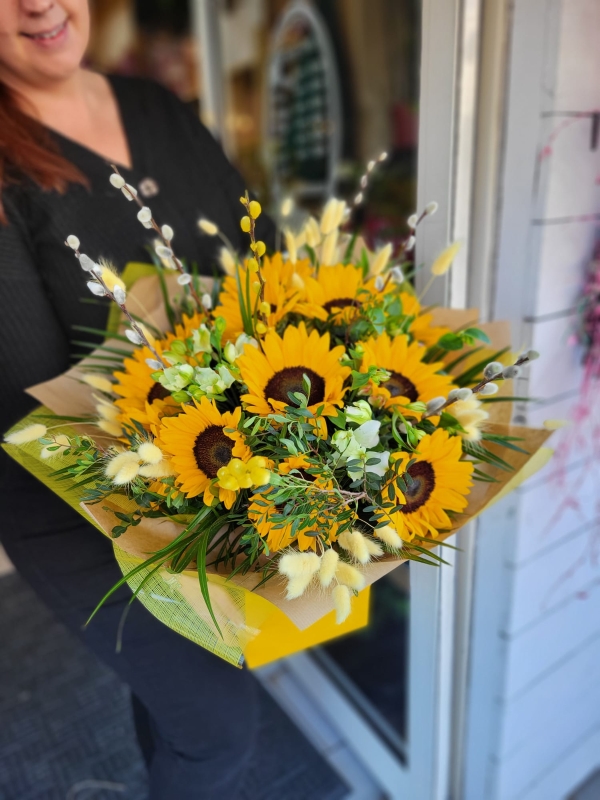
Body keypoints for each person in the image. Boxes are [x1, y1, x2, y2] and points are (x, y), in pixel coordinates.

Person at [0, 2, 275, 798]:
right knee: (220, 729)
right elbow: (36, 407)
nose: (40, 4)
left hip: (212, 471)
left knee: (177, 694)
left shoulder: (154, 106)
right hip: (72, 504)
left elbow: (263, 261)